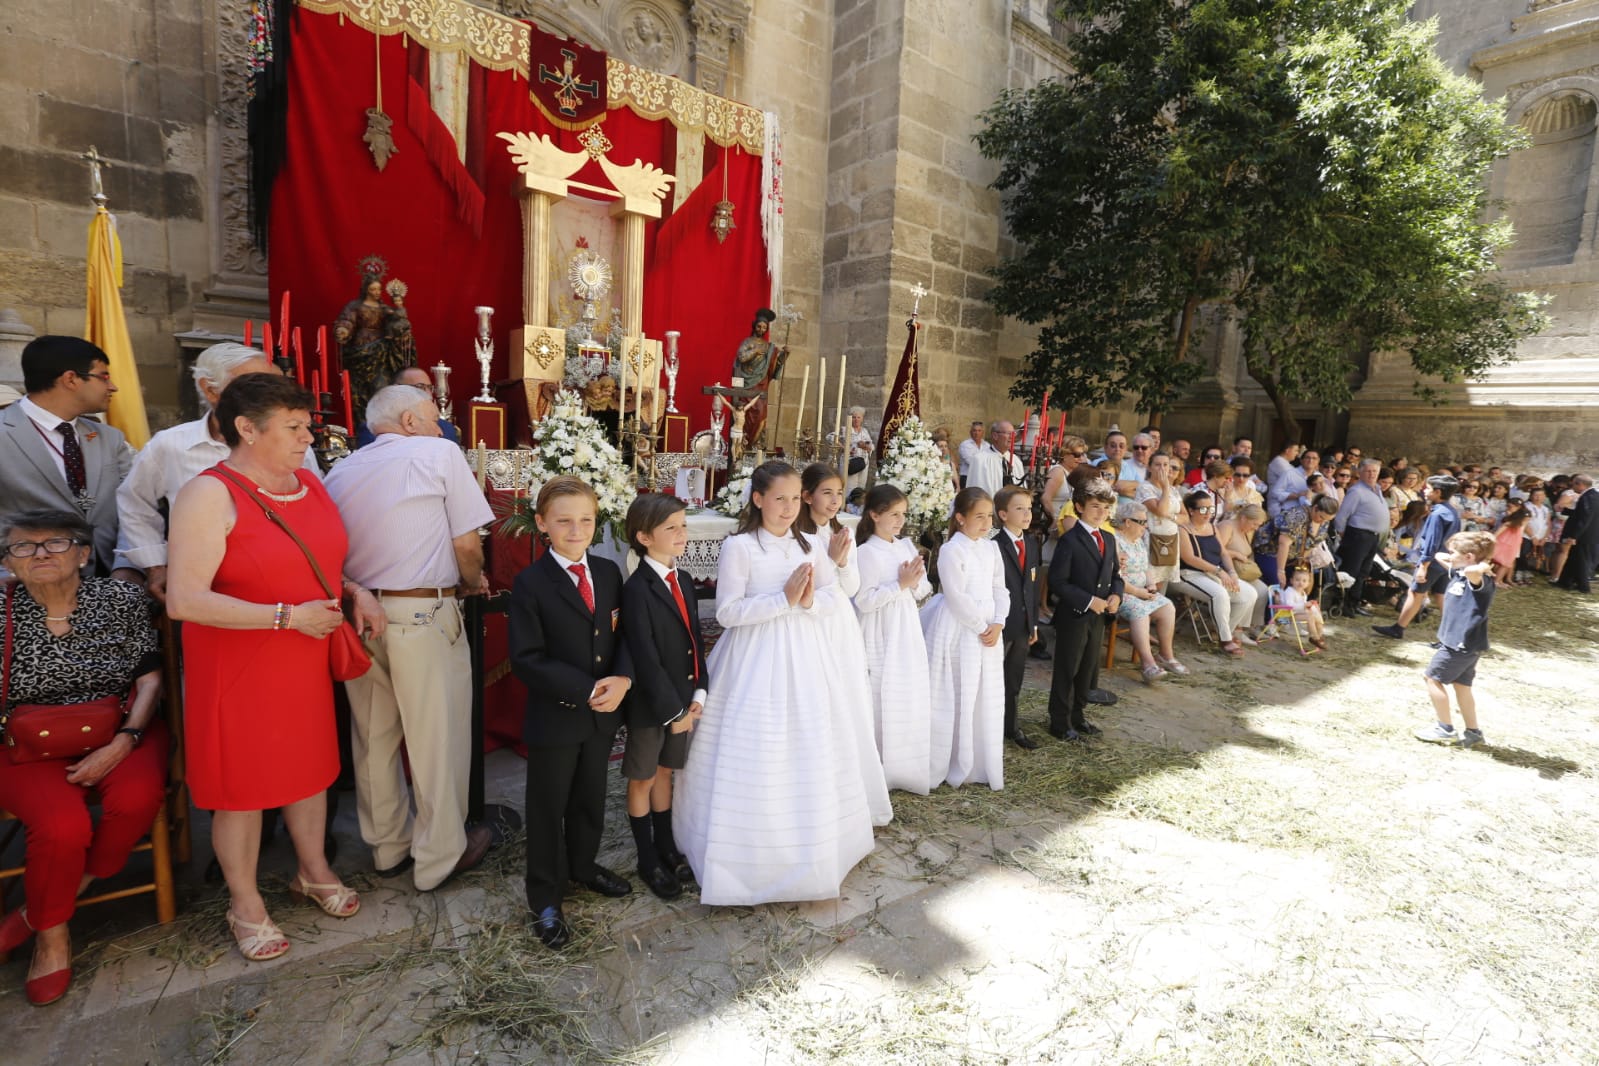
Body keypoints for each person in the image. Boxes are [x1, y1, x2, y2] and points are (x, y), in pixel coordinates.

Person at [166, 374, 379, 961]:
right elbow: (184, 599)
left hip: (304, 654)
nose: (308, 437)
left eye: (306, 425)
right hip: (239, 663)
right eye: (294, 426)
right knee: (242, 787)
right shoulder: (208, 494)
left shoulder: (309, 483)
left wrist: (355, 589)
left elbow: (319, 562)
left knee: (309, 769)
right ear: (246, 428)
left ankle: (311, 869)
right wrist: (286, 617)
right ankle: (244, 903)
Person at [675, 460, 878, 905]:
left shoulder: (808, 545)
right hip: (753, 657)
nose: (787, 509)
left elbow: (832, 593)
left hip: (806, 653)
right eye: (779, 499)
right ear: (758, 499)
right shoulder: (741, 547)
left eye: (793, 499)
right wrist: (781, 600)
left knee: (811, 741)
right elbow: (727, 612)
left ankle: (815, 847)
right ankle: (745, 856)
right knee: (757, 744)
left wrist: (806, 604)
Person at [322, 385, 496, 891]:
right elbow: (467, 542)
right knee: (435, 735)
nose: (442, 425)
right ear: (410, 420)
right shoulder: (438, 452)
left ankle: (387, 848)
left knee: (373, 735)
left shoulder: (341, 469)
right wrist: (471, 580)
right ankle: (440, 855)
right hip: (423, 609)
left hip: (361, 611)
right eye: (434, 415)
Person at [0, 510, 167, 1005]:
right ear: (10, 562)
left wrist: (127, 739)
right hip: (25, 746)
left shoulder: (119, 600)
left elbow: (151, 677)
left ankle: (39, 910)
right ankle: (52, 936)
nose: (39, 555)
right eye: (23, 548)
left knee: (137, 799)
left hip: (120, 728)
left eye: (54, 544)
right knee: (61, 828)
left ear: (83, 553)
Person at [508, 476, 634, 948]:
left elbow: (623, 637)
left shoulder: (607, 573)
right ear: (542, 524)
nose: (576, 529)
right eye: (564, 521)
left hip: (603, 715)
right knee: (548, 807)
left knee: (590, 797)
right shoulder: (531, 583)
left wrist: (622, 679)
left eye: (585, 519)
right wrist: (585, 689)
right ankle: (544, 896)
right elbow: (528, 657)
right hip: (557, 716)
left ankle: (582, 866)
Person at [116, 342, 318, 602]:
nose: (273, 395)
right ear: (211, 390)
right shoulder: (171, 445)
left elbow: (314, 507)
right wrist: (155, 564)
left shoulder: (295, 442)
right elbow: (135, 503)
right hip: (202, 589)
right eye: (254, 385)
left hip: (286, 584)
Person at [619, 494, 707, 901]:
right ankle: (646, 855)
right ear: (643, 536)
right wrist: (673, 711)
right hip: (652, 705)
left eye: (683, 526)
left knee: (666, 773)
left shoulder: (683, 580)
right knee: (643, 776)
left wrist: (699, 692)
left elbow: (694, 640)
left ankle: (666, 843)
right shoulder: (637, 589)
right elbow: (645, 656)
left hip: (681, 700)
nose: (682, 534)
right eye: (671, 528)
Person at [796, 464, 892, 822]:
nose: (835, 500)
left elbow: (851, 587)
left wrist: (840, 563)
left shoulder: (844, 531)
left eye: (839, 493)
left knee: (846, 694)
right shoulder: (798, 534)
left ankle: (845, 777)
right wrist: (830, 561)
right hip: (810, 620)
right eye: (827, 493)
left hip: (839, 622)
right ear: (806, 496)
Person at [0, 336, 134, 578]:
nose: (112, 386)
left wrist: (128, 567)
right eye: (103, 376)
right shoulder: (3, 434)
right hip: (24, 592)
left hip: (109, 589)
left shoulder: (110, 438)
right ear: (71, 379)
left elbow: (135, 508)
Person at [920, 487, 1008, 786]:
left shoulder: (991, 548)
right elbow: (955, 595)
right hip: (960, 627)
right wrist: (980, 624)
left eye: (989, 517)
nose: (986, 524)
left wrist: (998, 621)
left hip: (988, 629)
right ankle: (951, 757)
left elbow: (1000, 588)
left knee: (983, 691)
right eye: (979, 517)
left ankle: (977, 761)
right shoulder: (951, 549)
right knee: (957, 688)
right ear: (960, 518)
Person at [854, 484, 936, 792]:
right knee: (878, 691)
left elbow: (924, 590)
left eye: (903, 514)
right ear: (874, 515)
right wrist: (900, 584)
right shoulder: (865, 552)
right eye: (893, 514)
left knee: (905, 689)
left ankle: (904, 766)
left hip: (905, 626)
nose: (900, 521)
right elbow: (863, 601)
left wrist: (914, 582)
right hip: (878, 628)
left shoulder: (905, 546)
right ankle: (877, 766)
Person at [1046, 478, 1122, 740]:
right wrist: (1089, 601)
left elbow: (1116, 575)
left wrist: (1116, 595)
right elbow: (1057, 582)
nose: (1101, 513)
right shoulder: (1070, 541)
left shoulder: (1109, 540)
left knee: (1087, 669)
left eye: (1106, 508)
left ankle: (1078, 717)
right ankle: (1059, 722)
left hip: (1098, 618)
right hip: (1075, 616)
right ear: (1079, 507)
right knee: (1068, 669)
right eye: (1095, 507)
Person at [1414, 532, 1497, 748]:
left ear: (1469, 556)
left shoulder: (1477, 579)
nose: (1450, 556)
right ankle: (1473, 731)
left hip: (1461, 643)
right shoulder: (1460, 573)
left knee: (1432, 678)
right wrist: (1455, 556)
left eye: (1455, 553)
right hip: (1463, 643)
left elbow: (1473, 570)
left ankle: (1445, 728)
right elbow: (1440, 556)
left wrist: (1482, 565)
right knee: (1462, 685)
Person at [1373, 476, 1462, 641]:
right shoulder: (1451, 512)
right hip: (1446, 561)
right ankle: (1451, 634)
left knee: (1415, 593)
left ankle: (1399, 628)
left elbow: (1431, 542)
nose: (1424, 491)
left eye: (1428, 488)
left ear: (1438, 492)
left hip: (1433, 561)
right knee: (1440, 595)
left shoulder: (1437, 515)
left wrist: (1423, 565)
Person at [1176, 491, 1258, 657]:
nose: (1208, 514)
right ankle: (1225, 639)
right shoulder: (1183, 530)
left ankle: (1222, 629)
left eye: (1211, 510)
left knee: (1249, 593)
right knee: (1219, 594)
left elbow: (1224, 554)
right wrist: (1219, 571)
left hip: (1214, 574)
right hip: (1190, 574)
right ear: (1191, 511)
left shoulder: (1213, 528)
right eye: (1203, 510)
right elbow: (1189, 558)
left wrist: (1232, 572)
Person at [1110, 501, 1185, 682]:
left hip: (1141, 590)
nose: (1145, 526)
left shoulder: (1138, 541)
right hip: (1122, 592)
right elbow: (1115, 577)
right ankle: (1147, 663)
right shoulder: (1114, 540)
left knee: (1167, 606)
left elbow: (1146, 569)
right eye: (1142, 522)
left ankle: (1165, 655)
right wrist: (1138, 592)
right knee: (1140, 612)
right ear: (1127, 522)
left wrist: (1151, 585)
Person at [992, 486, 1041, 750]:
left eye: (1029, 508)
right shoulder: (993, 543)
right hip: (999, 622)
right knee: (992, 676)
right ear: (1002, 514)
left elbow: (1032, 584)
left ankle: (1011, 726)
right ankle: (988, 726)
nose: (1027, 514)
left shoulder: (1031, 543)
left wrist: (1033, 621)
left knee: (1014, 677)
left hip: (1022, 623)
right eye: (1019, 508)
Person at [333, 264, 415, 419]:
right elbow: (347, 321)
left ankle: (380, 419)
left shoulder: (384, 309)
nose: (377, 293)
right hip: (359, 352)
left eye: (379, 289)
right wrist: (343, 330)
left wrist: (399, 311)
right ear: (366, 290)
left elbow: (398, 323)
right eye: (373, 289)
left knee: (381, 387)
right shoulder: (355, 306)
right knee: (358, 392)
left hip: (380, 355)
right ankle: (361, 423)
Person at [1333, 458, 1387, 617]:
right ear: (1360, 472)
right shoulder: (1356, 491)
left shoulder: (1377, 489)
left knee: (1364, 572)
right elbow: (1341, 516)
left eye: (1374, 471)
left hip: (1372, 537)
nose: (1371, 474)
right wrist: (1344, 534)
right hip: (1358, 535)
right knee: (1351, 571)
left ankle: (1354, 602)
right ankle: (1343, 604)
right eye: (1368, 471)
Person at [354, 366, 460, 446]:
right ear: (397, 389)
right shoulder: (376, 427)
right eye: (420, 387)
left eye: (429, 387)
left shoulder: (446, 428)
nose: (428, 393)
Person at [1254, 495, 1340, 593]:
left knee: (1296, 588)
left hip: (1293, 558)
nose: (1323, 521)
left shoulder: (1324, 523)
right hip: (1270, 552)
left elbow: (1313, 544)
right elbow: (1284, 543)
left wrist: (1301, 564)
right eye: (1321, 517)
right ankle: (1272, 608)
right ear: (1315, 508)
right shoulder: (1297, 515)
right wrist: (1281, 571)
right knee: (1278, 586)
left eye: (1327, 520)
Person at [1217, 503, 1270, 636]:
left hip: (1241, 571)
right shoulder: (1227, 527)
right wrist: (1235, 554)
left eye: (1258, 525)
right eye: (1254, 524)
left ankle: (1251, 626)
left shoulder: (1246, 531)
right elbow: (1216, 551)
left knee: (1263, 590)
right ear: (1244, 518)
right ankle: (1237, 630)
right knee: (1251, 592)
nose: (1256, 528)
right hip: (1225, 570)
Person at [1133, 452, 1183, 587]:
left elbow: (1186, 517)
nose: (1162, 468)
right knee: (1151, 584)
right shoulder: (1144, 487)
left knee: (1163, 583)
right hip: (1150, 540)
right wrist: (1165, 487)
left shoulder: (1174, 490)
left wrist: (1171, 516)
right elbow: (1160, 510)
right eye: (1157, 464)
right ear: (1149, 468)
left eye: (1165, 465)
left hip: (1170, 540)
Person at [1554, 474, 1598, 593]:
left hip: (1585, 535)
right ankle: (1564, 582)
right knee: (1573, 558)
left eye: (1573, 483)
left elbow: (1585, 518)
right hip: (1588, 533)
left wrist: (1574, 536)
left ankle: (1584, 587)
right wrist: (1565, 510)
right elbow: (1581, 514)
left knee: (1581, 560)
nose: (1571, 486)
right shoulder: (1593, 495)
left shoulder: (1588, 497)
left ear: (1580, 484)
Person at [967, 421, 1024, 495]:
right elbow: (976, 492)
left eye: (1013, 433)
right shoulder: (980, 460)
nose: (1012, 437)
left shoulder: (1016, 460)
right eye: (1008, 433)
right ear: (995, 435)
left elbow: (1021, 488)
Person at [1280, 565, 1327, 650]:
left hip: (1298, 614)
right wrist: (1304, 605)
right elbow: (1289, 605)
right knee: (1310, 616)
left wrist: (1311, 605)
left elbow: (1303, 606)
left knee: (1316, 615)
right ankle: (1314, 637)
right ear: (1291, 581)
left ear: (1308, 583)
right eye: (1297, 580)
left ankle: (1319, 636)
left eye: (1304, 581)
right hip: (1288, 615)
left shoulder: (1303, 593)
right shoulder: (1289, 591)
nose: (1300, 583)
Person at [1491, 501, 1529, 587]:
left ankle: (1499, 580)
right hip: (1504, 544)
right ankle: (1496, 581)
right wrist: (1493, 538)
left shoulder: (1518, 526)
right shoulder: (1510, 523)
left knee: (1506, 564)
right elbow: (1499, 531)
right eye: (1526, 519)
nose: (1526, 521)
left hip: (1512, 545)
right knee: (1503, 563)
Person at [845, 407, 874, 495]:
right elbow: (831, 438)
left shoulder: (864, 431)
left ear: (862, 419)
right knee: (850, 489)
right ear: (850, 418)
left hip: (863, 463)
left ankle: (858, 507)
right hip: (851, 463)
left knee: (861, 488)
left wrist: (866, 446)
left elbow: (871, 446)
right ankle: (848, 507)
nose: (856, 419)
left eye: (858, 417)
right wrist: (845, 448)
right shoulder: (845, 429)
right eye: (854, 417)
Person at [957, 421, 985, 488]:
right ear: (970, 432)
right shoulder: (965, 445)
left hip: (982, 478)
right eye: (974, 431)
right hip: (967, 477)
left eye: (979, 431)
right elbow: (971, 461)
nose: (977, 433)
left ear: (982, 433)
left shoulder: (987, 445)